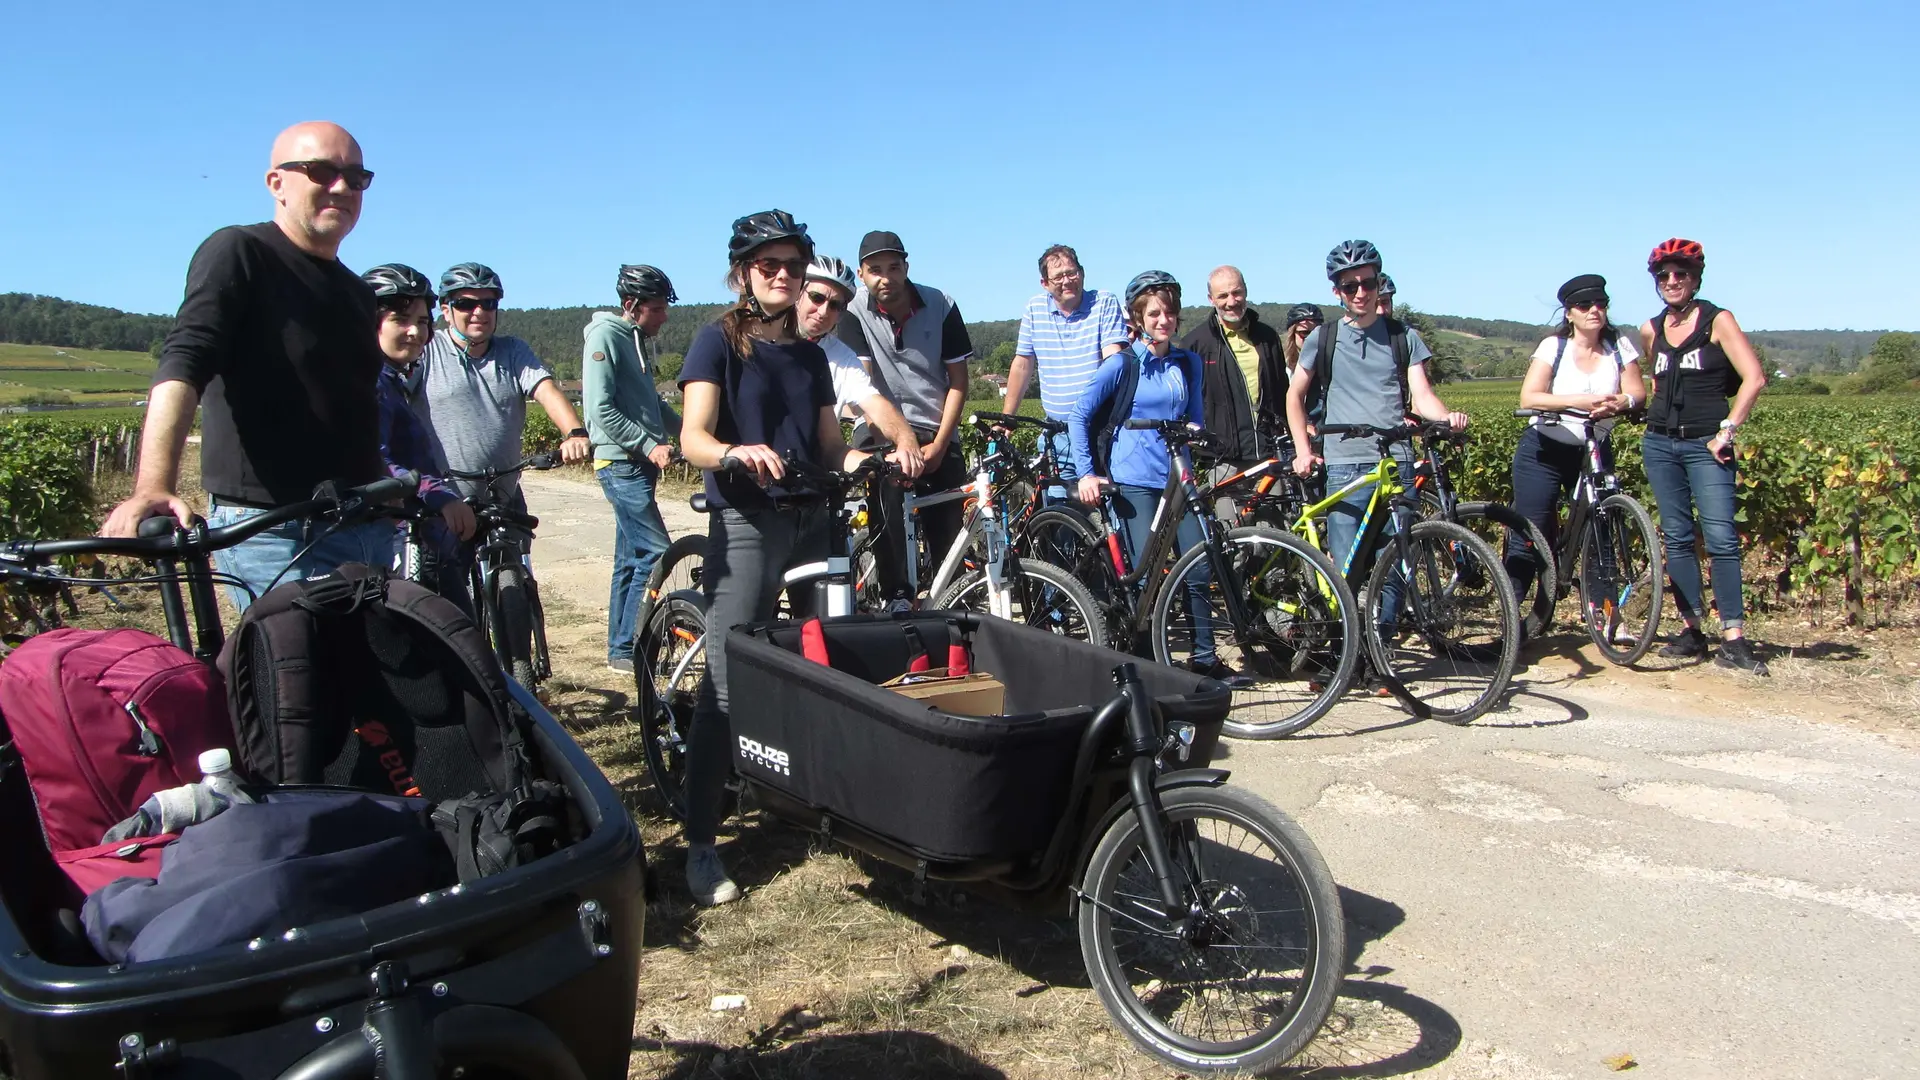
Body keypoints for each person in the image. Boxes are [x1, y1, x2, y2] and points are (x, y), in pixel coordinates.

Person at [103, 122, 395, 610]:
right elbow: (184, 363)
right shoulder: (241, 252)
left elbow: (348, 405)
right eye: (321, 172)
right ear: (276, 183)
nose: (341, 187)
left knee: (374, 681)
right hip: (276, 532)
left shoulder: (356, 293)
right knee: (299, 679)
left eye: (356, 177)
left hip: (362, 526)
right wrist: (153, 485)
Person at [678, 210, 870, 905]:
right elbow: (694, 436)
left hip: (812, 519)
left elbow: (827, 447)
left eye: (793, 265)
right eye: (769, 266)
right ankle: (702, 843)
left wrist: (869, 460)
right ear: (743, 273)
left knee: (827, 663)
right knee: (728, 682)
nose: (784, 276)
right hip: (750, 521)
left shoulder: (813, 355)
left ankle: (816, 802)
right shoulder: (717, 344)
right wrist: (734, 452)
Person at [1287, 242, 1465, 693]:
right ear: (1337, 291)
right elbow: (1295, 395)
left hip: (1397, 461)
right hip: (1346, 465)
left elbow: (1420, 395)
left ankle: (1380, 656)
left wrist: (1444, 418)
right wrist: (1303, 448)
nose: (1360, 292)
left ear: (1377, 282)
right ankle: (1344, 659)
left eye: (1367, 282)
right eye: (1350, 286)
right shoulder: (1323, 338)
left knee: (1396, 564)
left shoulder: (1403, 336)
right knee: (1345, 572)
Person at [1069, 272, 1244, 684]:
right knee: (1144, 576)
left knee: (1197, 567)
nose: (1163, 319)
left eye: (1169, 312)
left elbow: (1194, 421)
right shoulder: (1122, 364)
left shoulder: (1188, 363)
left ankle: (1204, 658)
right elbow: (1080, 415)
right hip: (1134, 479)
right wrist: (1086, 473)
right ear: (1138, 317)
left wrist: (1205, 444)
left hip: (1177, 478)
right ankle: (1147, 662)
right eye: (1154, 313)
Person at [413, 263, 590, 606]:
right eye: (466, 303)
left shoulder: (512, 351)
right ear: (446, 310)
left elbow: (545, 390)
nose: (479, 311)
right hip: (445, 502)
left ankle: (521, 658)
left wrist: (574, 432)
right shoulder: (427, 350)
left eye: (489, 303)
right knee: (447, 608)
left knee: (518, 597)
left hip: (503, 498)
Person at [1637, 239, 1769, 674]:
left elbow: (1753, 378)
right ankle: (1691, 630)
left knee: (1721, 539)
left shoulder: (1717, 320)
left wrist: (1727, 430)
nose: (1672, 281)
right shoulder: (1651, 329)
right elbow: (1657, 385)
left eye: (1682, 274)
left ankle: (1734, 639)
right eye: (1664, 276)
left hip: (1706, 445)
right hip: (1660, 443)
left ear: (1696, 278)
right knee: (1675, 538)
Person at [835, 231, 973, 609]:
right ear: (862, 275)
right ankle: (896, 594)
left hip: (935, 426)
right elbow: (861, 382)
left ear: (906, 268)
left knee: (947, 523)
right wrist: (898, 441)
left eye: (894, 268)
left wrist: (942, 445)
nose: (886, 278)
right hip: (879, 428)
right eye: (875, 270)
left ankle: (951, 597)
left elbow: (958, 382)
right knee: (885, 487)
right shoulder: (851, 311)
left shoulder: (941, 304)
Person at [1507, 274, 1645, 622]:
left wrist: (1621, 402)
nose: (1594, 310)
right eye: (1584, 305)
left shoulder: (1619, 346)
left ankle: (1607, 615)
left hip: (1593, 447)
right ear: (1569, 313)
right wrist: (1580, 401)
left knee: (1601, 530)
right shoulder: (1553, 347)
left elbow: (1637, 392)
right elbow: (1530, 396)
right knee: (1529, 530)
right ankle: (1511, 614)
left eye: (1600, 303)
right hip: (1545, 448)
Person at [583, 264, 681, 673]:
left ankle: (621, 650)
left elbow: (651, 405)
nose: (664, 316)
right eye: (656, 309)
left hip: (637, 465)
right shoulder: (607, 336)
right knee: (657, 552)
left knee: (630, 559)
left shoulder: (639, 340)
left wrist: (690, 430)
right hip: (620, 464)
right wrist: (647, 444)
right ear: (631, 305)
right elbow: (599, 408)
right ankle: (640, 648)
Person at [365, 263, 475, 603]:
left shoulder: (390, 380)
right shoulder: (373, 385)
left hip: (417, 535)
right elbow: (376, 459)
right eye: (401, 319)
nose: (416, 331)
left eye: (423, 322)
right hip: (402, 541)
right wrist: (437, 496)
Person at [1002, 245, 1131, 492]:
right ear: (1044, 283)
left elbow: (1113, 362)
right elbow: (1022, 364)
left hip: (1100, 430)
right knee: (1060, 515)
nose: (1067, 281)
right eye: (1058, 277)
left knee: (1112, 513)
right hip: (1058, 435)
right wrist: (1008, 420)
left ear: (1082, 273)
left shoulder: (1103, 302)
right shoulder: (1034, 308)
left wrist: (1084, 415)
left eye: (1072, 273)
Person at [795, 255, 922, 476]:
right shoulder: (761, 342)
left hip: (814, 482)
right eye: (817, 298)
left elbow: (875, 403)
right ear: (797, 293)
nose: (824, 311)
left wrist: (906, 442)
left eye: (835, 305)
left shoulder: (841, 356)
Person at [1178, 266, 1290, 515]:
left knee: (1273, 542)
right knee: (1233, 542)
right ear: (1211, 300)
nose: (1231, 302)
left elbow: (1283, 391)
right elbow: (1184, 407)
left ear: (1246, 291)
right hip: (1223, 461)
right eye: (1223, 296)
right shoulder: (1195, 345)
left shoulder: (1268, 337)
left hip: (1267, 455)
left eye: (1236, 293)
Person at [1280, 303, 1325, 378]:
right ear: (1292, 334)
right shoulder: (1282, 366)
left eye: (1316, 333)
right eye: (1305, 333)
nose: (1311, 338)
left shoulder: (1331, 362)